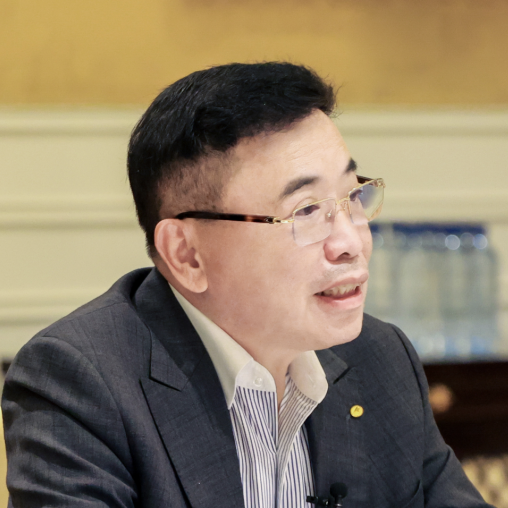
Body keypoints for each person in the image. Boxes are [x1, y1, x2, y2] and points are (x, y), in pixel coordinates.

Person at [1, 62, 490, 508]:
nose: (351, 242)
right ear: (187, 254)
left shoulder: (379, 359)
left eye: (352, 196)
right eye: (306, 211)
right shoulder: (83, 382)